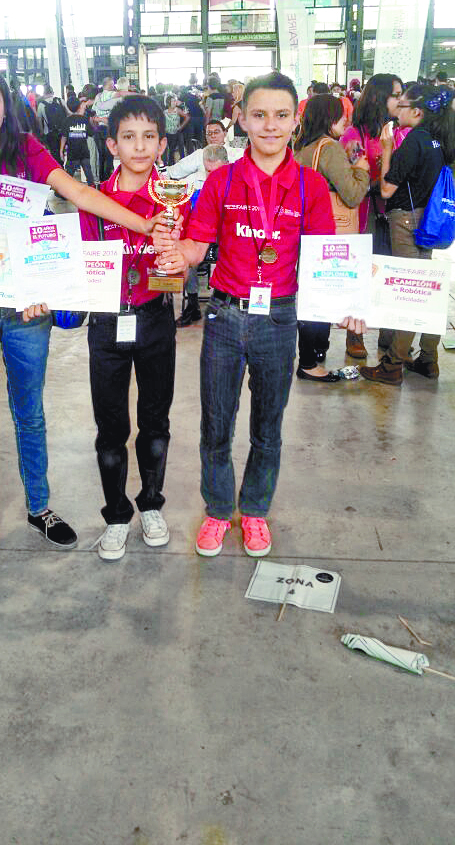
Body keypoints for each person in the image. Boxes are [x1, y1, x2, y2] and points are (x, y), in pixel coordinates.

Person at [0, 63, 167, 565]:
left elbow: (81, 194)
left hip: (29, 305)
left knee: (30, 413)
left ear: (6, 106)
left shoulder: (26, 150)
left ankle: (40, 508)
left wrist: (145, 224)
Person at [154, 72, 364, 559]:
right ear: (242, 120)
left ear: (295, 122)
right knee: (216, 425)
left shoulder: (311, 185)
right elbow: (197, 244)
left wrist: (347, 302)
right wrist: (177, 254)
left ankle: (253, 511)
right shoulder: (222, 180)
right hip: (225, 317)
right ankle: (217, 510)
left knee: (268, 427)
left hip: (279, 321)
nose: (270, 125)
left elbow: (325, 259)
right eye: (260, 115)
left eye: (281, 115)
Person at [78, 95, 187, 562]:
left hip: (155, 317)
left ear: (162, 144)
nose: (139, 147)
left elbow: (185, 262)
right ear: (112, 145)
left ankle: (152, 505)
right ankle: (117, 515)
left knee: (155, 420)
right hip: (107, 323)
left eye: (148, 137)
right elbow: (80, 263)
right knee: (110, 426)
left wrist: (176, 259)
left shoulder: (175, 200)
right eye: (128, 137)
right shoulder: (93, 201)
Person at [360, 84, 455, 386]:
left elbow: (387, 189)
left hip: (405, 221)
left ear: (416, 111)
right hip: (426, 220)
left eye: (401, 105)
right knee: (425, 290)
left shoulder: (414, 141)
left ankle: (392, 365)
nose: (396, 110)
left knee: (407, 294)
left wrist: (388, 149)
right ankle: (428, 358)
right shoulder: (438, 141)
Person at [293, 94, 370, 381]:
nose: (346, 120)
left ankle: (313, 355)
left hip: (306, 230)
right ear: (329, 118)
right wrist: (361, 170)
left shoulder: (302, 147)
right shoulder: (329, 149)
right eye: (340, 115)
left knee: (312, 292)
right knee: (321, 295)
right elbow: (352, 194)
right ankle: (310, 362)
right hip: (329, 232)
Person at [339, 73, 403, 359]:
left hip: (394, 215)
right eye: (396, 95)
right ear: (379, 97)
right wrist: (383, 180)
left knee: (390, 276)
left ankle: (389, 336)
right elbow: (355, 181)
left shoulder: (398, 132)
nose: (401, 100)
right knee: (361, 274)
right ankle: (355, 333)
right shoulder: (354, 136)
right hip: (365, 215)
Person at [176, 143, 230, 328]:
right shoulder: (194, 185)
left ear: (227, 165)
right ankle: (192, 305)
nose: (211, 175)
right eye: (208, 170)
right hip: (202, 236)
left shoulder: (238, 185)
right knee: (187, 255)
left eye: (216, 171)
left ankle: (225, 304)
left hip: (227, 239)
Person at [165, 119, 243, 193]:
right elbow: (172, 171)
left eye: (216, 132)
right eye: (209, 133)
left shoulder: (238, 153)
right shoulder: (200, 154)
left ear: (225, 133)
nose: (213, 136)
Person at [61, 95, 95, 185]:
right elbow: (91, 133)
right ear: (79, 106)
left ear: (68, 107)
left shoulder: (67, 121)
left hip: (72, 153)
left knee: (68, 177)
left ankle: (64, 191)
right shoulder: (84, 119)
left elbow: (64, 137)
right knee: (89, 177)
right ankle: (93, 191)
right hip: (84, 152)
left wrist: (61, 151)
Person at [37, 85, 69, 162]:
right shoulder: (60, 101)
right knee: (62, 151)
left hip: (50, 133)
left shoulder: (41, 105)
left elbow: (39, 121)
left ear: (43, 94)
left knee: (54, 154)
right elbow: (68, 113)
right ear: (52, 92)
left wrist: (42, 134)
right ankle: (63, 164)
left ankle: (58, 166)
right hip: (62, 132)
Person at [163, 93, 188, 165]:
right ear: (168, 102)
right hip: (168, 133)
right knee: (170, 150)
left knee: (178, 149)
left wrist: (181, 127)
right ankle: (170, 163)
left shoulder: (177, 110)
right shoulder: (165, 112)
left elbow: (187, 117)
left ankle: (181, 163)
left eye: (175, 101)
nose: (175, 102)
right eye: (173, 101)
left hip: (176, 133)